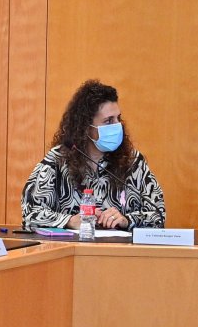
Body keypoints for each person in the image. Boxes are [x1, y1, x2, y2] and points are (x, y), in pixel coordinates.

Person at [21, 79, 165, 230]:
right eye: (108, 121)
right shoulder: (57, 161)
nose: (117, 125)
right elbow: (30, 214)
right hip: (73, 245)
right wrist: (69, 221)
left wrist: (127, 220)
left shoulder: (133, 162)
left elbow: (158, 215)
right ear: (85, 127)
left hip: (120, 245)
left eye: (118, 118)